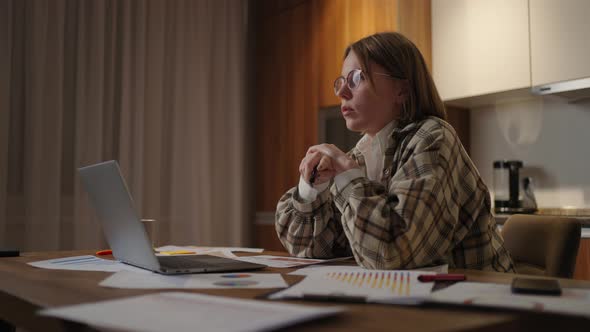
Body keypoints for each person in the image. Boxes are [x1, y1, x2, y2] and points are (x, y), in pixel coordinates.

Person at [275, 32, 514, 272]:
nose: (341, 93)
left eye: (357, 78)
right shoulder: (361, 156)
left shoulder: (432, 137)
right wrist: (309, 189)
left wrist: (347, 175)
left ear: (401, 89)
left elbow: (392, 253)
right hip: (414, 299)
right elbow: (310, 249)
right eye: (341, 82)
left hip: (478, 300)